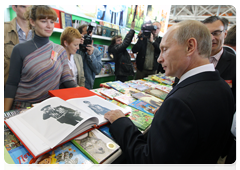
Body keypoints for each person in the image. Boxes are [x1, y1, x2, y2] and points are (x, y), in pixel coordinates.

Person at [104, 20, 234, 170]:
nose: (159, 58)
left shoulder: (180, 103)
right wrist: (168, 119)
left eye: (165, 49)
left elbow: (149, 163)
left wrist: (121, 122)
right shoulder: (223, 88)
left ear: (190, 47)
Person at [4, 5, 77, 111]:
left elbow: (67, 80)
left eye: (52, 22)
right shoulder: (19, 49)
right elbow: (12, 84)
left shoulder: (59, 50)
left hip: (50, 107)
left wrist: (86, 94)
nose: (49, 26)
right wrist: (5, 115)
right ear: (32, 22)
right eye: (43, 21)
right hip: (24, 108)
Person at [203, 16, 238, 105]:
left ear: (225, 34)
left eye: (216, 33)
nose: (211, 38)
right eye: (207, 33)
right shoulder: (191, 58)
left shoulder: (236, 64)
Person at [4, 5, 32, 86]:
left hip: (32, 88)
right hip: (8, 87)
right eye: (23, 6)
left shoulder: (38, 31)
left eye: (29, 7)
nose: (27, 10)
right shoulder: (3, 29)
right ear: (14, 8)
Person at [77, 24, 102, 89]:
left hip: (88, 86)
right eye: (86, 35)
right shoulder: (74, 48)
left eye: (90, 34)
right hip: (74, 85)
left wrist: (91, 55)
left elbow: (97, 70)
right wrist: (77, 44)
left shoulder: (96, 51)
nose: (88, 37)